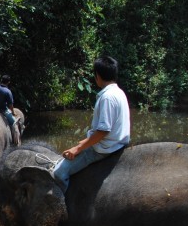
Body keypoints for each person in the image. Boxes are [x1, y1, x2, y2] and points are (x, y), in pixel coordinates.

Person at [52, 56, 130, 192]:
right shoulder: (119, 92)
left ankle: (61, 209)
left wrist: (78, 148)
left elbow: (103, 131)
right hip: (118, 144)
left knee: (59, 173)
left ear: (97, 76)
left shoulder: (107, 97)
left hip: (104, 149)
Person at [0, 74, 20, 145]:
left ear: (1, 80)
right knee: (14, 123)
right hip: (2, 110)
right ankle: (16, 142)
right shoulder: (7, 91)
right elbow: (10, 105)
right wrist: (13, 112)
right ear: (8, 82)